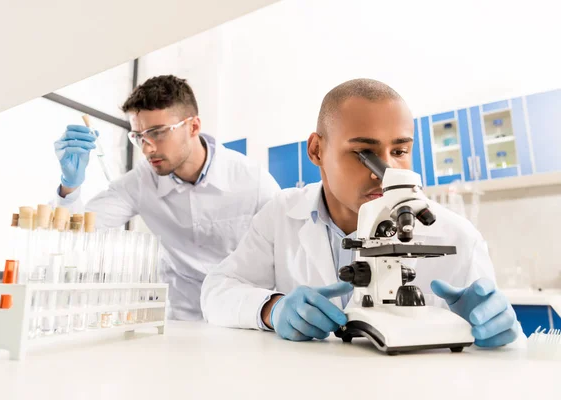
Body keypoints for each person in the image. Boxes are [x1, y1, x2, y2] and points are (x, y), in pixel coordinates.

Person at [201, 79, 521, 348]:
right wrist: (273, 308)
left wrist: (497, 332)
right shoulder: (281, 214)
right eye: (363, 154)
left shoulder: (458, 236)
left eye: (399, 152)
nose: (385, 171)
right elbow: (217, 290)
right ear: (316, 151)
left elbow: (505, 353)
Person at [53, 75, 281, 320]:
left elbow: (285, 253)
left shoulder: (253, 181)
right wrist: (70, 186)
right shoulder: (141, 182)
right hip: (181, 321)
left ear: (193, 126)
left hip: (241, 318)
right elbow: (79, 231)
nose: (147, 148)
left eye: (158, 133)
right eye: (139, 136)